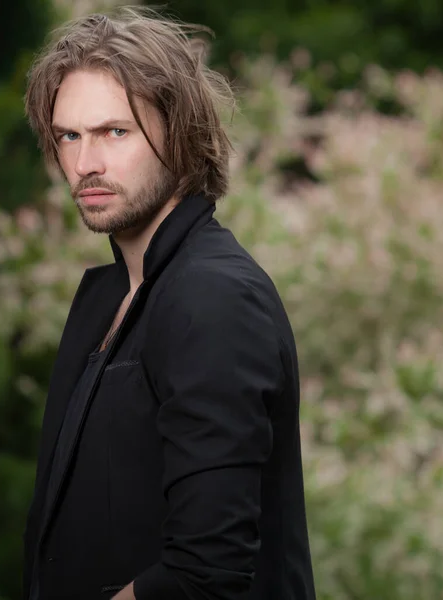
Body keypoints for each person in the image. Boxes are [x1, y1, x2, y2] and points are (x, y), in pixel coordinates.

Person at [22, 7, 316, 600]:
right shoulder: (111, 298)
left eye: (116, 132)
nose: (86, 165)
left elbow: (205, 576)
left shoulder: (213, 296)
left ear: (179, 135)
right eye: (69, 137)